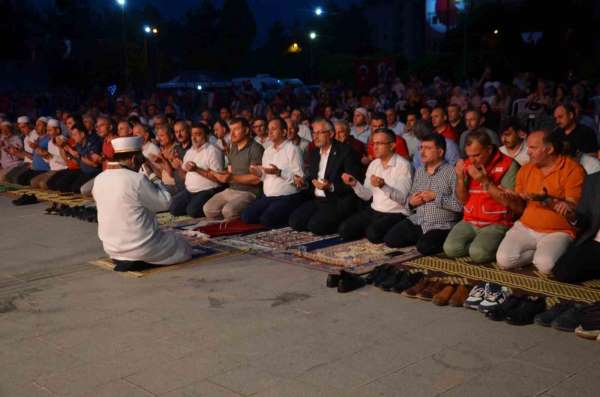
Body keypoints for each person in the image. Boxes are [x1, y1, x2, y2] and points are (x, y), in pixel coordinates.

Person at [92, 136, 192, 271]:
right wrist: (153, 178)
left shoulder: (99, 179)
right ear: (133, 159)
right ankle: (144, 260)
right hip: (141, 247)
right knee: (183, 245)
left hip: (113, 249)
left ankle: (136, 260)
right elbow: (165, 203)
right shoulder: (137, 179)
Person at [496, 130, 586, 274]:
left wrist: (548, 200)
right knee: (503, 260)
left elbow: (574, 209)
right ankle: (538, 254)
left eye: (533, 148)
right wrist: (512, 197)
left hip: (558, 231)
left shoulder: (573, 170)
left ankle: (543, 255)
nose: (528, 152)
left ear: (549, 149)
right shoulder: (526, 169)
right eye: (528, 147)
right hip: (526, 226)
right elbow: (520, 205)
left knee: (546, 266)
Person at [443, 130, 518, 263]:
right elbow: (463, 200)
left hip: (497, 222)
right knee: (450, 249)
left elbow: (510, 203)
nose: (472, 160)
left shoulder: (508, 165)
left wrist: (485, 181)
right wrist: (460, 179)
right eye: (469, 155)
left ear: (489, 149)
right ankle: (480, 245)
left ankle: (495, 246)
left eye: (476, 155)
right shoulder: (468, 164)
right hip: (470, 220)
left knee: (478, 254)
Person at [384, 133, 463, 254]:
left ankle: (435, 240)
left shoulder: (452, 172)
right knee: (390, 239)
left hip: (442, 225)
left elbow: (460, 205)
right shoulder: (420, 171)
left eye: (428, 148)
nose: (422, 152)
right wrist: (411, 202)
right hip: (419, 221)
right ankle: (425, 239)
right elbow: (410, 198)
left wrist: (436, 197)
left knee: (424, 247)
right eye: (421, 148)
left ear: (440, 152)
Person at [288, 118, 364, 235]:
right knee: (295, 221)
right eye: (314, 133)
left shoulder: (346, 152)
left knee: (315, 226)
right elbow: (312, 177)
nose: (315, 136)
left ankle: (346, 221)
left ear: (331, 134)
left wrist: (331, 187)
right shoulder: (314, 152)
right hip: (318, 199)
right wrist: (304, 182)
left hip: (337, 200)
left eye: (319, 133)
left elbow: (355, 183)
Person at [338, 128, 412, 243]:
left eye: (379, 143)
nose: (374, 147)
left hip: (396, 212)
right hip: (374, 210)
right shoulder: (374, 164)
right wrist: (355, 184)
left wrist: (383, 186)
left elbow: (402, 199)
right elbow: (367, 196)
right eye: (373, 144)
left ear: (392, 145)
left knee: (373, 234)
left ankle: (392, 230)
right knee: (344, 229)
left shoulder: (404, 165)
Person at [241, 118, 306, 228]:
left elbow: (300, 180)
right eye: (268, 129)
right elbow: (265, 177)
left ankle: (292, 212)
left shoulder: (293, 149)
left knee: (267, 220)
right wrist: (258, 173)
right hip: (268, 196)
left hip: (287, 196)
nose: (269, 132)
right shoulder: (267, 151)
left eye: (274, 129)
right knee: (246, 216)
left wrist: (279, 172)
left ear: (284, 132)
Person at [203, 117, 264, 220]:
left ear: (246, 130)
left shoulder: (256, 148)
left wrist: (231, 177)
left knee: (228, 211)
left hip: (250, 192)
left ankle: (241, 219)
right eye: (231, 130)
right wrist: (217, 173)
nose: (232, 133)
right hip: (232, 189)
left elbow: (256, 179)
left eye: (236, 129)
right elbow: (230, 172)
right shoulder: (233, 147)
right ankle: (228, 221)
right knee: (208, 209)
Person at [553, 173, 600, 282]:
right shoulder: (592, 180)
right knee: (562, 272)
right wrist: (572, 215)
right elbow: (584, 219)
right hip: (596, 241)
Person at [169, 123, 223, 218]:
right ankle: (194, 205)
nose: (194, 138)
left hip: (207, 190)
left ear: (206, 136)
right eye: (192, 135)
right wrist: (178, 168)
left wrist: (197, 169)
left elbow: (219, 179)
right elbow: (184, 176)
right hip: (190, 191)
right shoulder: (190, 152)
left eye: (198, 135)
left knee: (192, 211)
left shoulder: (213, 151)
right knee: (174, 209)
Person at [30, 119, 68, 189]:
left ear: (57, 131)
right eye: (47, 130)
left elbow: (66, 162)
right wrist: (44, 155)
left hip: (62, 170)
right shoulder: (50, 142)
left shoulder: (63, 140)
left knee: (43, 184)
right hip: (52, 170)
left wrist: (50, 156)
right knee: (33, 182)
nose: (47, 133)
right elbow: (49, 160)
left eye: (50, 130)